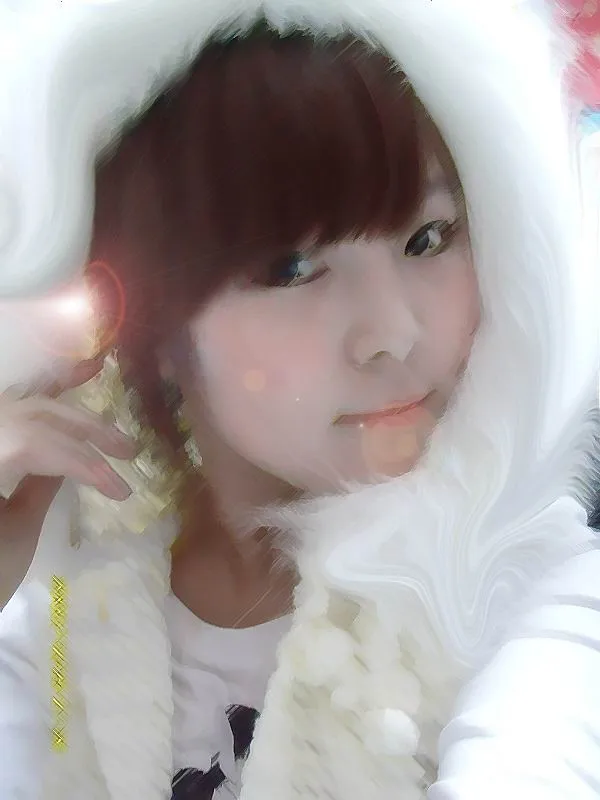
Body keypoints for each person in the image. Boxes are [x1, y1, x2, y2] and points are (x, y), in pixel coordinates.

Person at [0, 1, 599, 799]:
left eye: (428, 238)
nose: (391, 334)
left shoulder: (536, 589)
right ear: (151, 318)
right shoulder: (65, 597)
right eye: (290, 269)